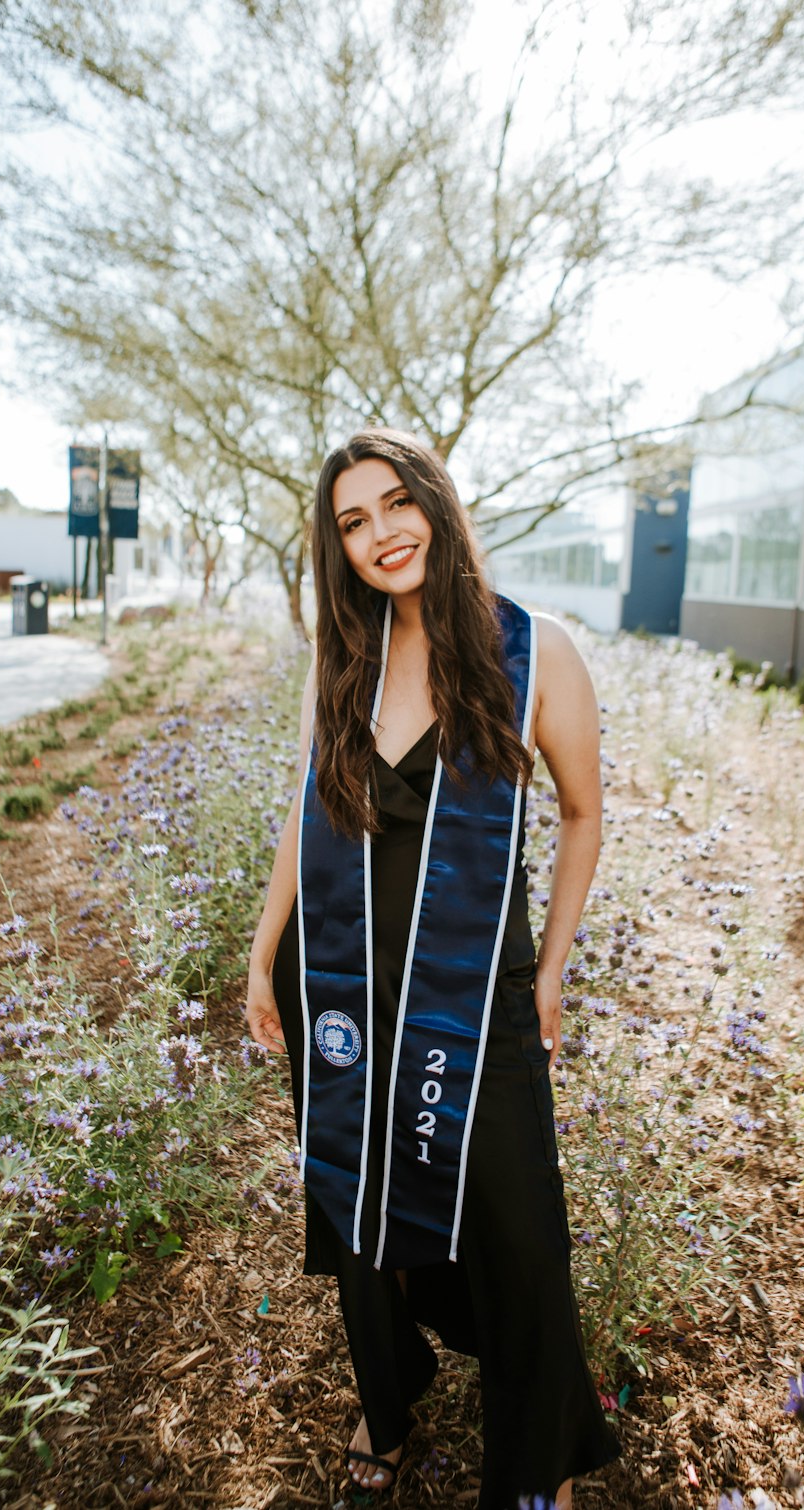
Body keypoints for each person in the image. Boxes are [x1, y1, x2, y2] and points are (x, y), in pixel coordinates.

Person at [245, 428, 620, 1509]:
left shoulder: (534, 653)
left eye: (394, 503)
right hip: (347, 980)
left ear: (437, 504)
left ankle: (532, 1452)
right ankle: (388, 1393)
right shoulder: (347, 655)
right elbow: (312, 804)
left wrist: (548, 971)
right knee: (356, 1202)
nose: (379, 534)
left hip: (473, 993)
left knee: (517, 1229)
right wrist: (263, 952)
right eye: (351, 522)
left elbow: (584, 815)